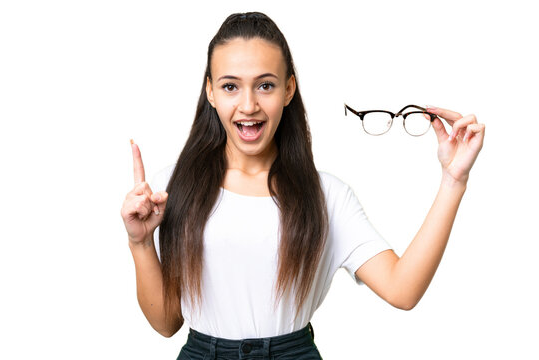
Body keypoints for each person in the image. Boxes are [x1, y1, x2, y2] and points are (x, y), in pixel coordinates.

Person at [120, 11, 485, 360]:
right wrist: (140, 242)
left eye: (265, 85)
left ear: (289, 89)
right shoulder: (172, 187)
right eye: (231, 86)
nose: (248, 105)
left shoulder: (327, 197)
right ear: (211, 92)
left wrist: (454, 181)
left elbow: (402, 290)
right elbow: (166, 323)